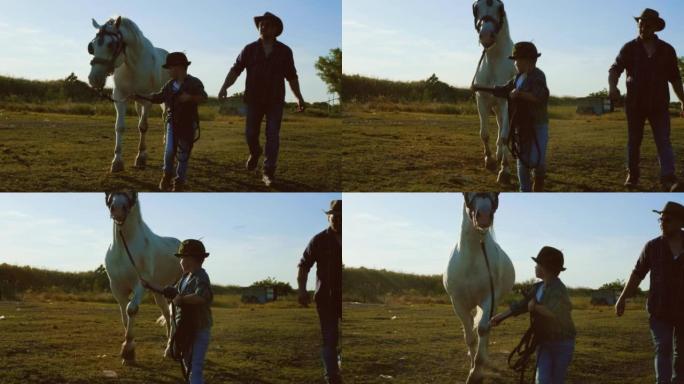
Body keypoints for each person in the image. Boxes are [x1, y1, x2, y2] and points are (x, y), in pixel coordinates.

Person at [218, 11, 306, 187]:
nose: (262, 27)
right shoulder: (249, 49)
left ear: (275, 29)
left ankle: (268, 172)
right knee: (251, 134)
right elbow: (236, 70)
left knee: (272, 135)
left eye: (266, 24)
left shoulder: (285, 51)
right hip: (253, 99)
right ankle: (255, 152)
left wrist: (299, 97)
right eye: (260, 24)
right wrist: (224, 87)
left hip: (275, 100)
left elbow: (292, 77)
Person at [609, 8, 684, 190]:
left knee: (663, 141)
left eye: (647, 24)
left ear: (655, 28)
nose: (643, 27)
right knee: (634, 141)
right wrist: (613, 86)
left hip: (659, 104)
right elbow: (615, 69)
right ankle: (632, 175)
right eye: (641, 23)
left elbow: (675, 78)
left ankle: (668, 177)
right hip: (635, 104)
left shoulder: (667, 50)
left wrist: (683, 100)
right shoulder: (629, 48)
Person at [616, 201, 684, 384]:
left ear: (680, 222)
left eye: (667, 220)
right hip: (659, 309)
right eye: (660, 219)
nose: (662, 223)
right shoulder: (652, 247)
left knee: (682, 356)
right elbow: (637, 273)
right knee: (663, 347)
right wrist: (622, 298)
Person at [491, 246, 576, 384]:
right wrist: (500, 317)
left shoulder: (559, 289)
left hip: (562, 343)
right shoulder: (537, 287)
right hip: (544, 342)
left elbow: (554, 313)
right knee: (542, 379)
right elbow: (520, 306)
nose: (535, 267)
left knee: (556, 380)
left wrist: (535, 307)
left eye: (537, 264)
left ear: (544, 267)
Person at [473, 41, 550, 192]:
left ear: (528, 61)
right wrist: (479, 87)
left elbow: (541, 96)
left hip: (538, 124)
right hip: (521, 125)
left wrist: (520, 94)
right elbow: (503, 89)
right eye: (515, 60)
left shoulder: (538, 76)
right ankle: (524, 190)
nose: (515, 64)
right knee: (521, 159)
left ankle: (539, 176)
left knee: (536, 159)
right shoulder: (517, 78)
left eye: (517, 60)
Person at [142, 239, 213, 384]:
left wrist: (181, 299)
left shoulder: (201, 276)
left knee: (196, 367)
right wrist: (149, 285)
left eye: (182, 258)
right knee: (188, 365)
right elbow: (171, 292)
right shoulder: (184, 278)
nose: (180, 261)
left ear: (191, 259)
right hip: (185, 328)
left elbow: (201, 297)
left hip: (199, 329)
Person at [135, 52, 208, 192]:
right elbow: (158, 97)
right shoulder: (169, 85)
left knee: (183, 155)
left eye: (170, 68)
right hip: (172, 123)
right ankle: (166, 176)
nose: (168, 71)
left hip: (188, 124)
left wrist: (190, 98)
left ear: (179, 68)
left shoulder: (195, 83)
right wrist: (138, 96)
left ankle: (179, 181)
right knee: (169, 152)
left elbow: (203, 97)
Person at [298, 200, 342, 384]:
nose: (338, 219)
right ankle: (331, 376)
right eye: (335, 215)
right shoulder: (319, 240)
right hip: (326, 297)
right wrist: (302, 290)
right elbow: (304, 265)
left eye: (342, 216)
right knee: (330, 337)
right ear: (328, 216)